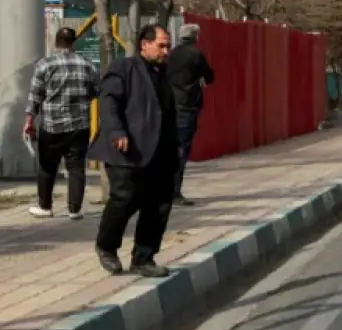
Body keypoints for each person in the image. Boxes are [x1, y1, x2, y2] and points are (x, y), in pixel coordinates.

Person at [90, 25, 179, 278]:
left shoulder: (164, 73)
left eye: (168, 46)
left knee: (158, 205)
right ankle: (107, 246)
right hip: (126, 150)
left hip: (160, 152)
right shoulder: (124, 68)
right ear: (144, 45)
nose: (166, 51)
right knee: (125, 198)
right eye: (161, 45)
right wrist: (117, 132)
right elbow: (109, 101)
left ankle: (143, 258)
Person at [23, 27, 99, 219]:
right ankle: (75, 209)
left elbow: (35, 96)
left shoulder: (44, 65)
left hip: (52, 125)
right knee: (76, 167)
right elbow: (95, 91)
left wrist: (29, 121)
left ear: (56, 42)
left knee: (47, 166)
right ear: (74, 42)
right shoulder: (87, 65)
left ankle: (45, 206)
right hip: (80, 125)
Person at [166, 23, 215, 207]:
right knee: (181, 149)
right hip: (187, 105)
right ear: (196, 37)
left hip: (169, 104)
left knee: (169, 148)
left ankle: (164, 190)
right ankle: (174, 192)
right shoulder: (195, 54)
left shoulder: (171, 54)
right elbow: (209, 76)